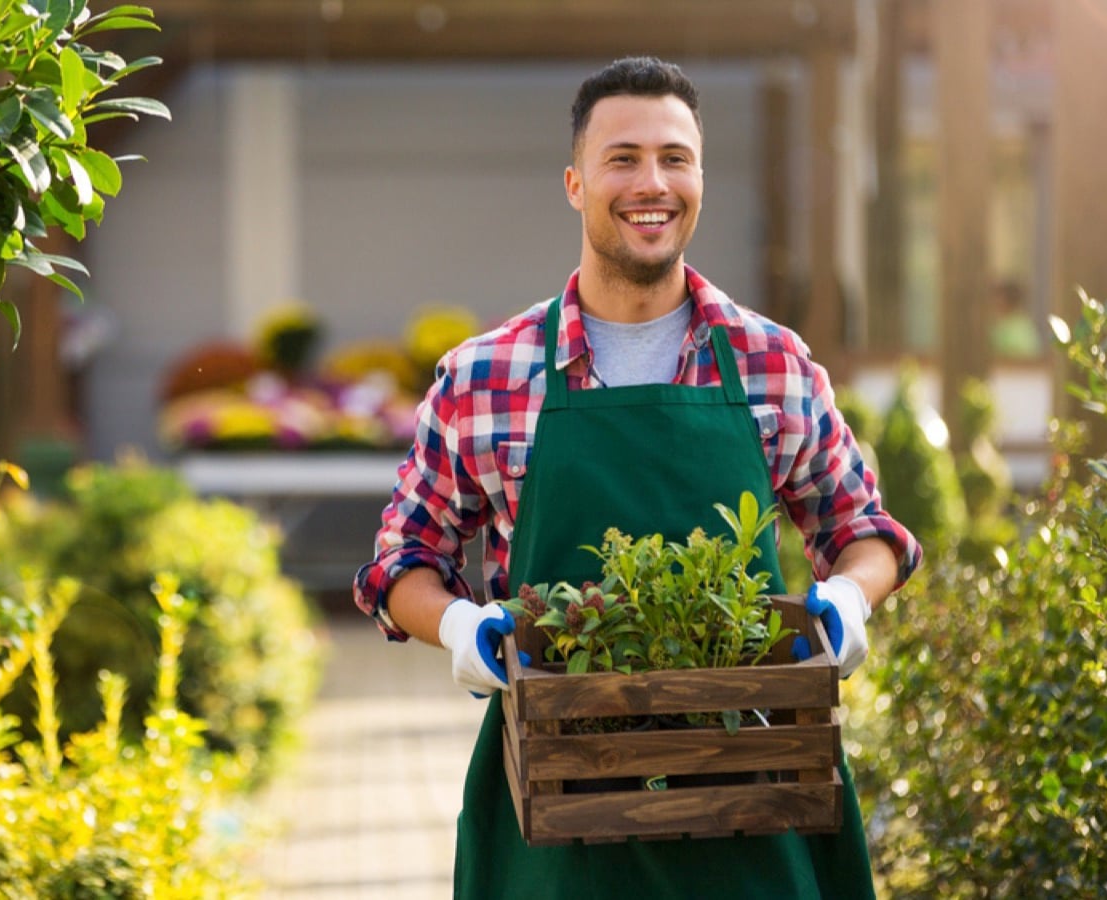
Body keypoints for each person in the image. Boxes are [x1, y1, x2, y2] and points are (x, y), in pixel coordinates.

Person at [353, 57, 922, 898]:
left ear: (700, 179)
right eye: (623, 158)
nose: (651, 182)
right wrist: (463, 629)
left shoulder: (775, 363)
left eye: (675, 157)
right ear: (577, 183)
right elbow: (401, 561)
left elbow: (864, 533)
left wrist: (846, 598)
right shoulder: (486, 376)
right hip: (552, 809)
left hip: (753, 797)